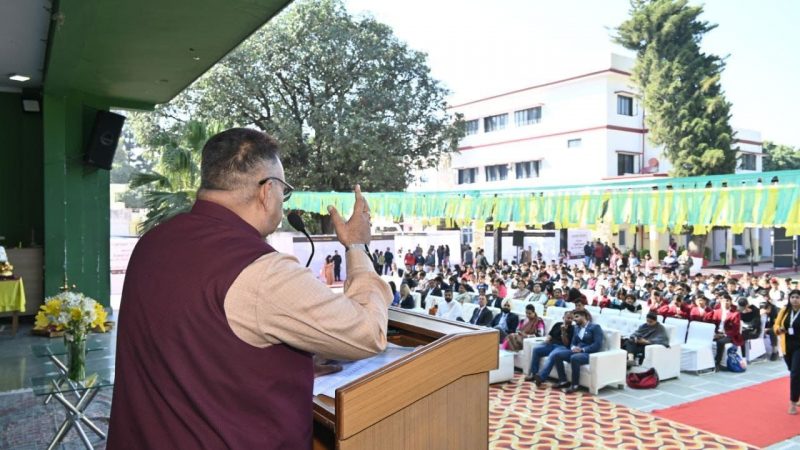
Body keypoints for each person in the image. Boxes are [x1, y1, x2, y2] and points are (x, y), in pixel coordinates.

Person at [108, 128, 391, 449]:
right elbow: (368, 333)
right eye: (284, 192)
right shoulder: (261, 270)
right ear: (267, 191)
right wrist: (356, 247)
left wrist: (281, 362)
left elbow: (192, 343)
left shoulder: (152, 243)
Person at [550, 310, 604, 393]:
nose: (574, 319)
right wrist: (573, 348)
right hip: (577, 351)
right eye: (574, 317)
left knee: (574, 358)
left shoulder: (595, 327)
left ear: (584, 316)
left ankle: (575, 385)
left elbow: (597, 345)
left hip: (589, 353)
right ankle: (563, 380)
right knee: (557, 355)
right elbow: (573, 343)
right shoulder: (577, 328)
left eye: (577, 317)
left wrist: (582, 349)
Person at [525, 311, 575, 385]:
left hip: (562, 347)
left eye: (571, 319)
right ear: (563, 318)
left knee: (553, 354)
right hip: (551, 344)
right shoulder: (557, 324)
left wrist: (563, 331)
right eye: (568, 318)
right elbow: (550, 334)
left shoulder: (573, 328)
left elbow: (566, 343)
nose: (570, 320)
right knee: (536, 350)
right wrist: (548, 339)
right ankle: (533, 374)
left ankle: (541, 377)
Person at [774, 289, 800, 414]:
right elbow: (776, 325)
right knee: (794, 371)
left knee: (795, 374)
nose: (795, 299)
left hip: (799, 347)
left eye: (797, 297)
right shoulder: (785, 310)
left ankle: (793, 402)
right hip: (786, 346)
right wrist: (778, 329)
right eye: (793, 297)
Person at [705, 293, 743, 372]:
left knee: (720, 342)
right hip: (717, 333)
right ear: (720, 302)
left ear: (731, 302)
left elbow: (735, 329)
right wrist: (715, 334)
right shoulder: (717, 312)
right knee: (705, 338)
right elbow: (712, 324)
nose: (725, 303)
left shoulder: (735, 314)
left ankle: (717, 363)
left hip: (730, 335)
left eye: (727, 301)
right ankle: (706, 361)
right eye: (723, 301)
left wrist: (724, 334)